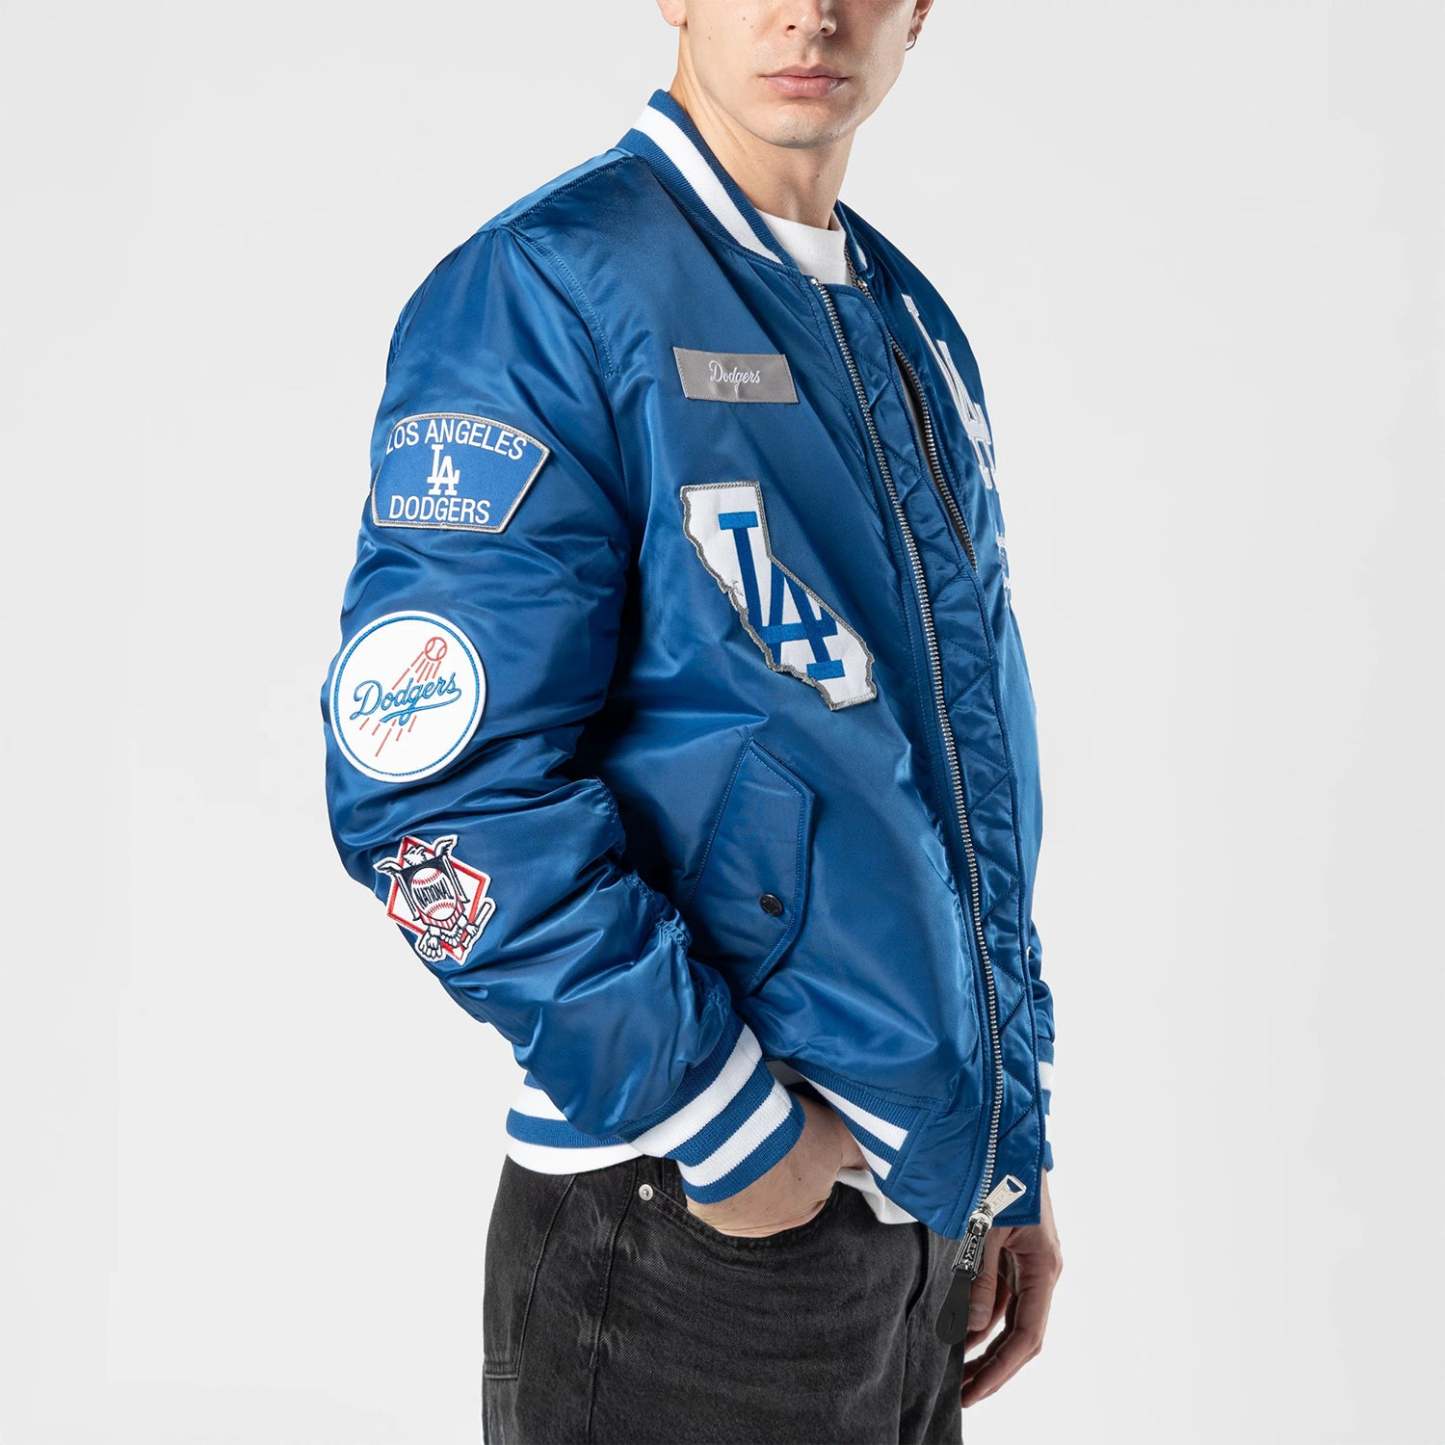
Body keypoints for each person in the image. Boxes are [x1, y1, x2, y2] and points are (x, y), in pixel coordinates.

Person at [321, 2, 1063, 1439]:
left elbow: (965, 775)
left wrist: (1003, 1149)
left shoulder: (905, 323)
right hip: (683, 1222)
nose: (811, 11)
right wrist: (729, 1127)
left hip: (911, 1222)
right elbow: (427, 789)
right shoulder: (548, 290)